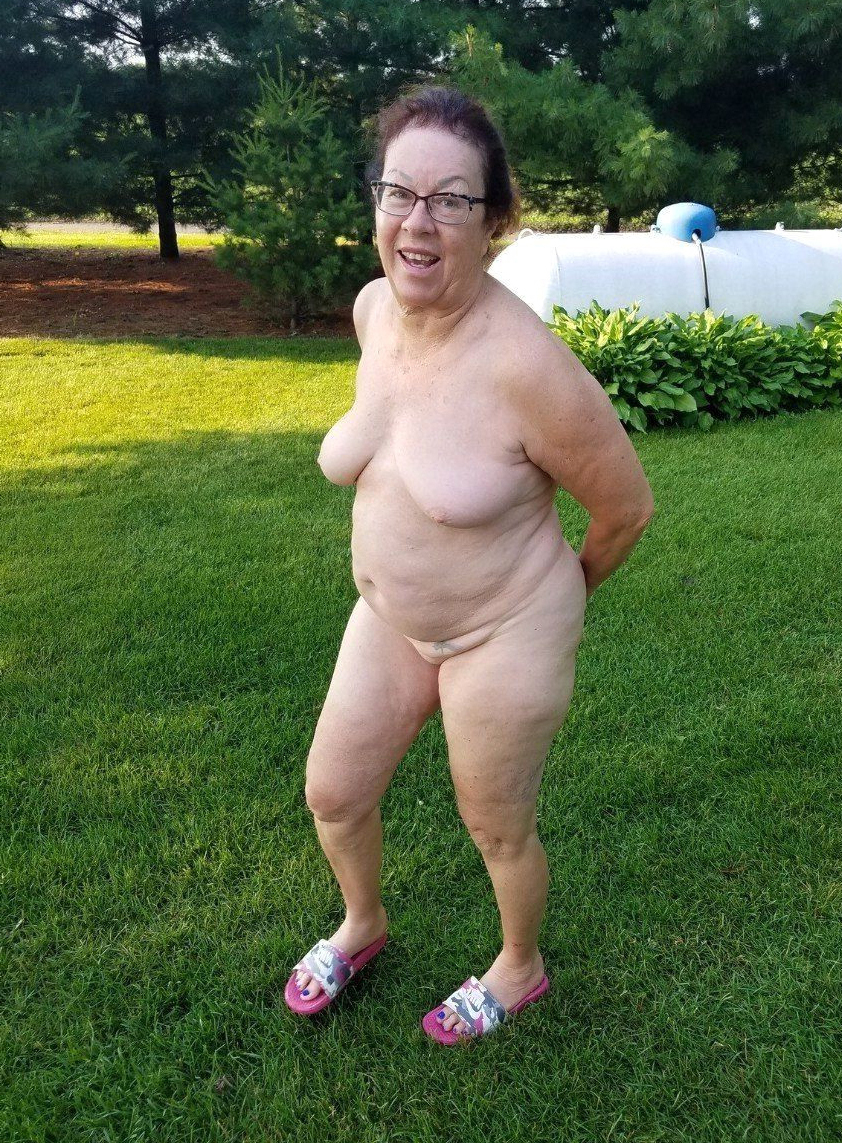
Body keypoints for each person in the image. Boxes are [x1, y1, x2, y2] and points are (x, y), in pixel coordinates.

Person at [284, 85, 655, 1044]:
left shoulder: (531, 369)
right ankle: (363, 923)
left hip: (505, 626)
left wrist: (557, 602)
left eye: (451, 200)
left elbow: (625, 508)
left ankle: (519, 965)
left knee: (494, 821)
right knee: (334, 792)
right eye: (398, 191)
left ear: (493, 222)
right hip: (390, 617)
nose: (418, 221)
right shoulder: (374, 310)